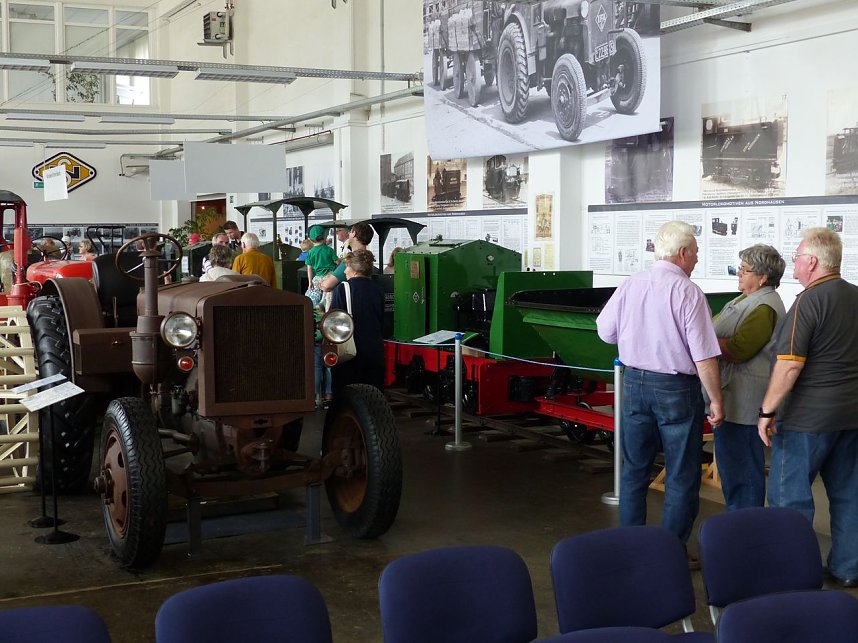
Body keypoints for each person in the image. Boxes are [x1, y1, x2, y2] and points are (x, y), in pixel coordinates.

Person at [596, 220, 723, 549]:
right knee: (681, 473)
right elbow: (704, 356)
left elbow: (605, 332)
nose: (697, 258)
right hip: (675, 390)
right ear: (682, 253)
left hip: (633, 383)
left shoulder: (631, 284)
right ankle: (669, 552)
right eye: (695, 252)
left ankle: (631, 546)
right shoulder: (688, 292)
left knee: (634, 469)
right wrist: (716, 400)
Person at [757, 227, 858, 588]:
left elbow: (789, 365)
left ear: (812, 262)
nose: (795, 264)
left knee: (790, 499)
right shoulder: (855, 296)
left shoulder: (808, 302)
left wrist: (767, 411)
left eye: (797, 257)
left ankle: (792, 577)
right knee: (849, 495)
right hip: (851, 417)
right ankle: (849, 568)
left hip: (806, 420)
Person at [709, 244, 785, 511]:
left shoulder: (764, 307)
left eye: (745, 270)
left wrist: (705, 342)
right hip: (733, 398)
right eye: (739, 268)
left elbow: (739, 350)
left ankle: (747, 527)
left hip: (745, 403)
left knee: (743, 474)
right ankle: (739, 523)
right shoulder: (745, 299)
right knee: (732, 471)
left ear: (763, 277)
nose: (739, 273)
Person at [329, 249, 385, 397]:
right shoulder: (378, 290)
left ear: (353, 270)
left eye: (346, 267)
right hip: (374, 351)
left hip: (350, 353)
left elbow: (334, 321)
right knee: (373, 396)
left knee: (346, 396)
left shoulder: (342, 289)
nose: (345, 271)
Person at [320, 222, 374, 293]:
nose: (349, 234)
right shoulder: (368, 259)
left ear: (354, 233)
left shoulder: (352, 260)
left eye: (350, 232)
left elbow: (326, 286)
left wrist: (320, 283)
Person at [304, 225, 339, 308]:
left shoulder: (310, 252)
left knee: (313, 295)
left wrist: (310, 282)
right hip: (330, 277)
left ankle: (316, 308)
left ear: (310, 239)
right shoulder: (329, 250)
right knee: (328, 297)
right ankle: (327, 310)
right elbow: (337, 262)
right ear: (323, 236)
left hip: (318, 277)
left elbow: (309, 269)